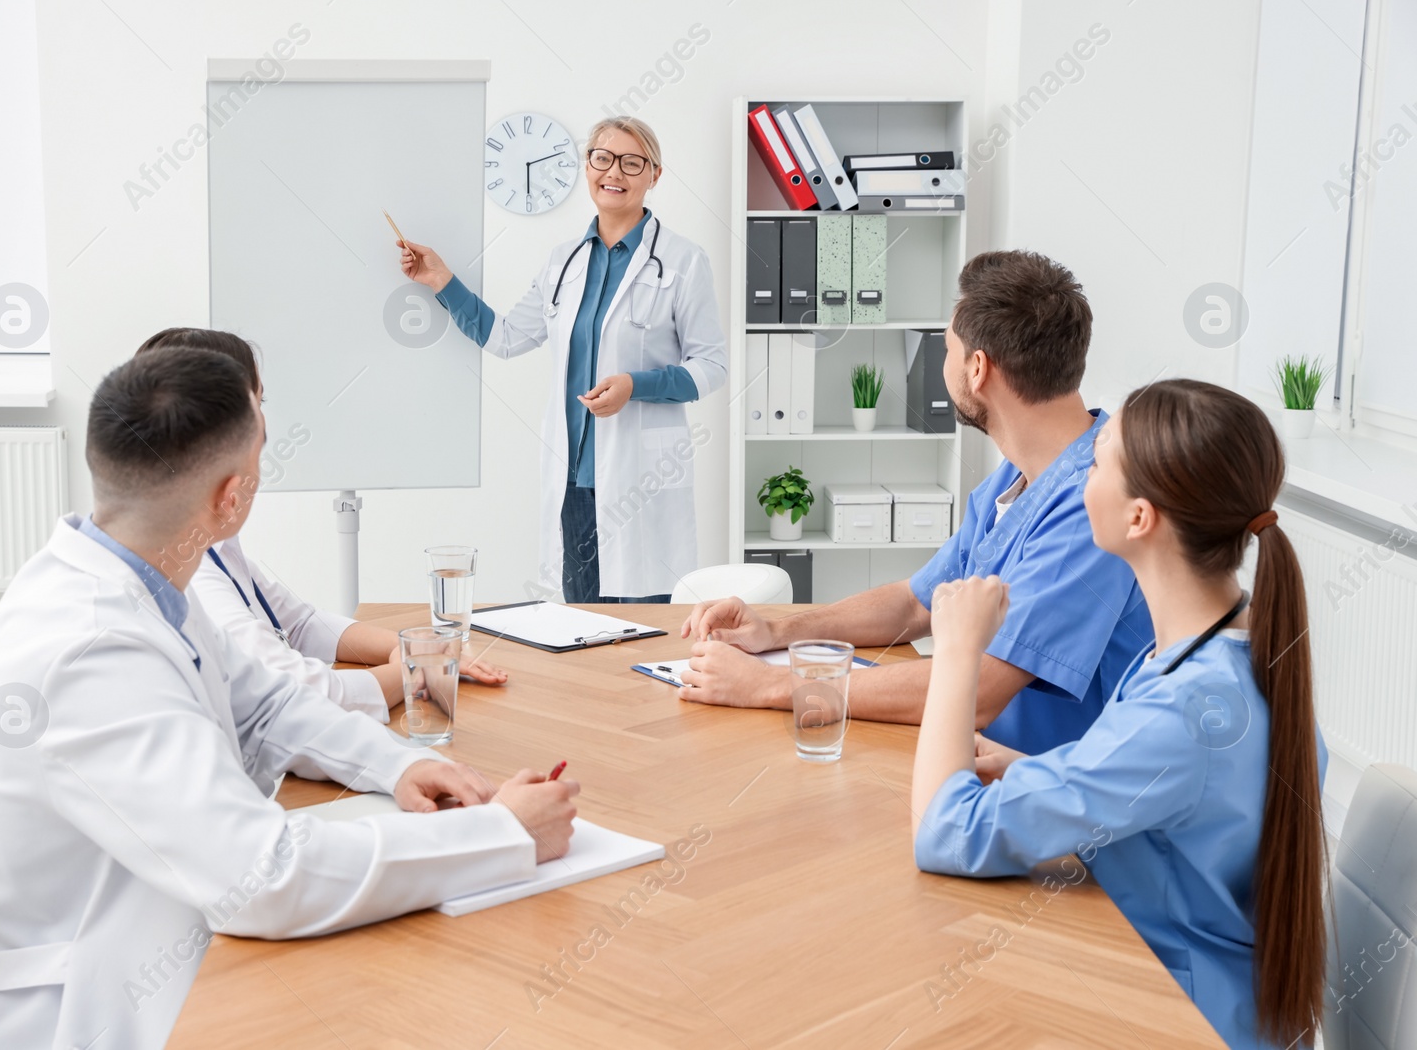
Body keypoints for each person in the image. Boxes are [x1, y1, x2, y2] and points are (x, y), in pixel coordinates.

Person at [0, 348, 578, 1049]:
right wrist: (503, 834)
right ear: (230, 496)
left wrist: (394, 765)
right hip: (86, 1004)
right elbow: (261, 878)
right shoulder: (90, 648)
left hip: (154, 933)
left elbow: (266, 703)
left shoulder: (135, 577)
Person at [912, 379, 1327, 1050]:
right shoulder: (1228, 650)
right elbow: (1176, 808)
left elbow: (945, 833)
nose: (1082, 473)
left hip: (1182, 1017)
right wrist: (1029, 768)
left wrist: (960, 650)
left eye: (1098, 459)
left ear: (1140, 518)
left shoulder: (1185, 712)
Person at [680, 251, 1153, 755]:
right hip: (981, 761)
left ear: (977, 369)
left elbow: (980, 690)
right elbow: (915, 602)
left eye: (945, 348)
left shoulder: (1094, 502)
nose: (939, 363)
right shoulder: (1019, 478)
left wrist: (771, 687)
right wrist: (775, 631)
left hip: (1046, 796)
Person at [398, 115, 726, 603]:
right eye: (602, 158)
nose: (614, 172)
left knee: (646, 630)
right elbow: (507, 337)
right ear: (587, 166)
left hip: (642, 481)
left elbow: (712, 367)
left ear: (654, 175)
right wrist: (441, 280)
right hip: (576, 483)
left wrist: (637, 385)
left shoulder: (683, 261)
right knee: (583, 631)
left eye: (632, 162)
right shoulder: (562, 262)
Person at [136, 327, 507, 722]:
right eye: (256, 403)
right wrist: (415, 671)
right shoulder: (186, 572)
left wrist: (411, 648)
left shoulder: (209, 543)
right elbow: (299, 695)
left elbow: (299, 623)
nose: (263, 424)